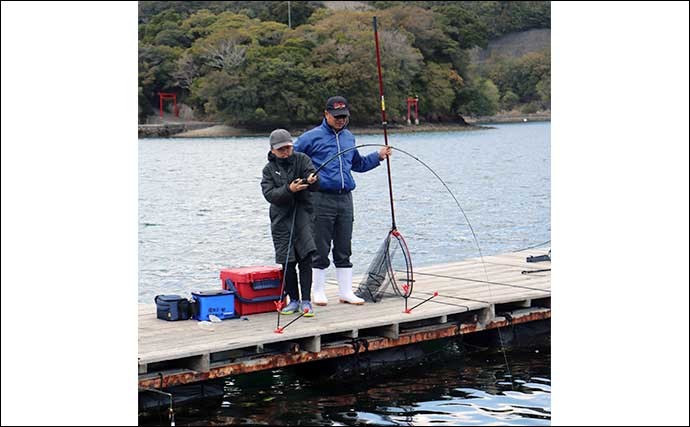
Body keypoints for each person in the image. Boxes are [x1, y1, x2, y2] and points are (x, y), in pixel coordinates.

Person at [295, 96, 391, 305]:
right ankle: (318, 291)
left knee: (343, 246)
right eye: (337, 117)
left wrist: (379, 156)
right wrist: (301, 181)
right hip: (319, 198)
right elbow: (292, 159)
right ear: (326, 114)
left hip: (345, 199)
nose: (341, 120)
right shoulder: (310, 138)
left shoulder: (349, 138)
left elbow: (359, 163)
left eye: (344, 117)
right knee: (320, 246)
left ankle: (346, 292)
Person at [261, 129, 319, 316]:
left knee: (305, 258)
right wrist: (289, 189)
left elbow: (314, 180)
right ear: (272, 150)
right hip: (280, 220)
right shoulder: (268, 170)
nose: (286, 152)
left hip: (304, 215)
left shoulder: (302, 159)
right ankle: (293, 300)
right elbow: (270, 195)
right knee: (287, 262)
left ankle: (307, 301)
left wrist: (311, 179)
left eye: (288, 148)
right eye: (281, 149)